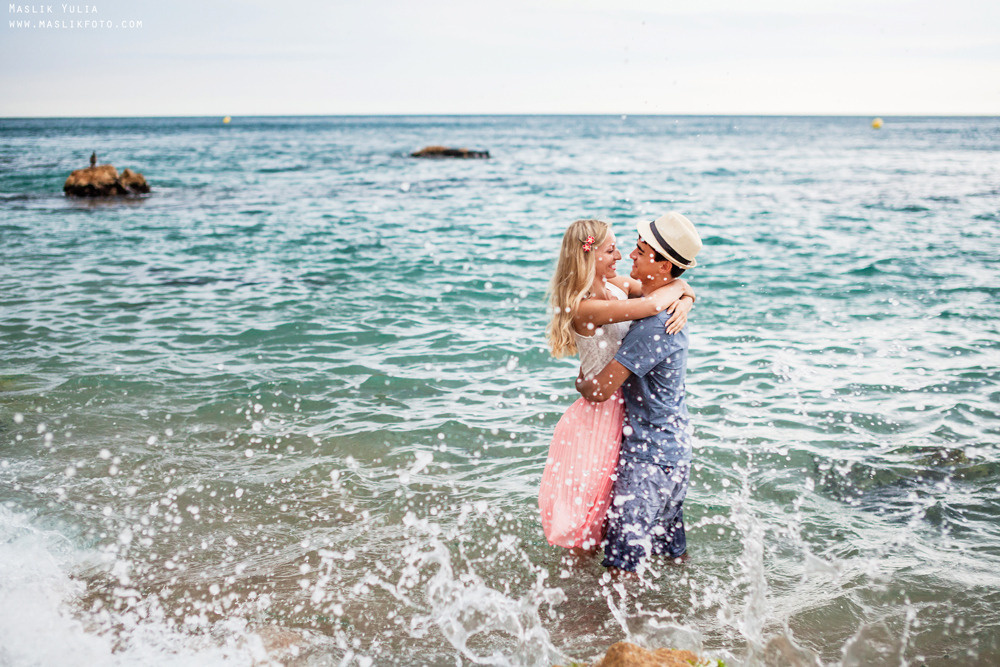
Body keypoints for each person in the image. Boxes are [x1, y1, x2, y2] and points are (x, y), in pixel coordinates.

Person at [539, 218, 696, 551]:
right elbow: (651, 304)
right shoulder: (586, 306)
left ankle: (595, 594)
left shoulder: (617, 288)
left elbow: (658, 297)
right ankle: (580, 598)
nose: (623, 255)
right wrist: (680, 290)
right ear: (589, 257)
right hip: (599, 418)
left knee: (606, 521)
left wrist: (685, 296)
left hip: (624, 422)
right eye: (611, 249)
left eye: (630, 249)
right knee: (586, 522)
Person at [575, 211, 703, 573]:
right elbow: (648, 295)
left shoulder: (652, 327)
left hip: (649, 460)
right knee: (671, 555)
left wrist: (580, 383)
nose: (630, 255)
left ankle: (614, 629)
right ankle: (686, 621)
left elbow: (600, 391)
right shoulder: (662, 308)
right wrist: (684, 290)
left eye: (640, 250)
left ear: (663, 267)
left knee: (621, 565)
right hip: (673, 451)